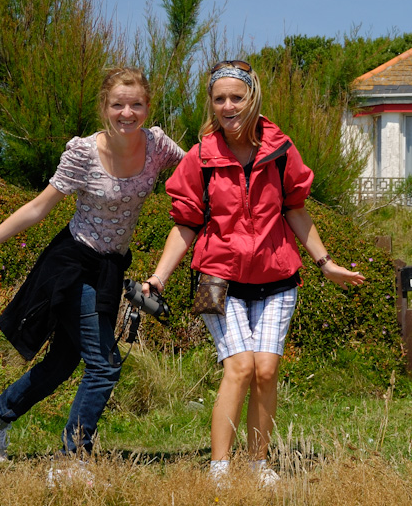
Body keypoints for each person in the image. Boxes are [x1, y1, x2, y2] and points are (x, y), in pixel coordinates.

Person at [0, 67, 184, 475]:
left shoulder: (158, 145)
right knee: (105, 364)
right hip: (73, 264)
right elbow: (39, 207)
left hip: (109, 267)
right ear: (104, 107)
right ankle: (73, 460)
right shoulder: (84, 153)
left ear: (148, 106)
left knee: (65, 360)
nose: (128, 113)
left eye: (136, 104)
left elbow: (200, 171)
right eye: (118, 105)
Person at [145, 59, 364, 486]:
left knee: (266, 369)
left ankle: (258, 464)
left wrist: (326, 263)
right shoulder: (200, 158)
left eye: (237, 97)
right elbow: (186, 223)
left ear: (252, 98)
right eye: (219, 98)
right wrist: (158, 277)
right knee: (240, 367)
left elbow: (295, 209)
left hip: (277, 276)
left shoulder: (281, 150)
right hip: (217, 278)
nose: (229, 106)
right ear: (210, 104)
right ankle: (220, 469)